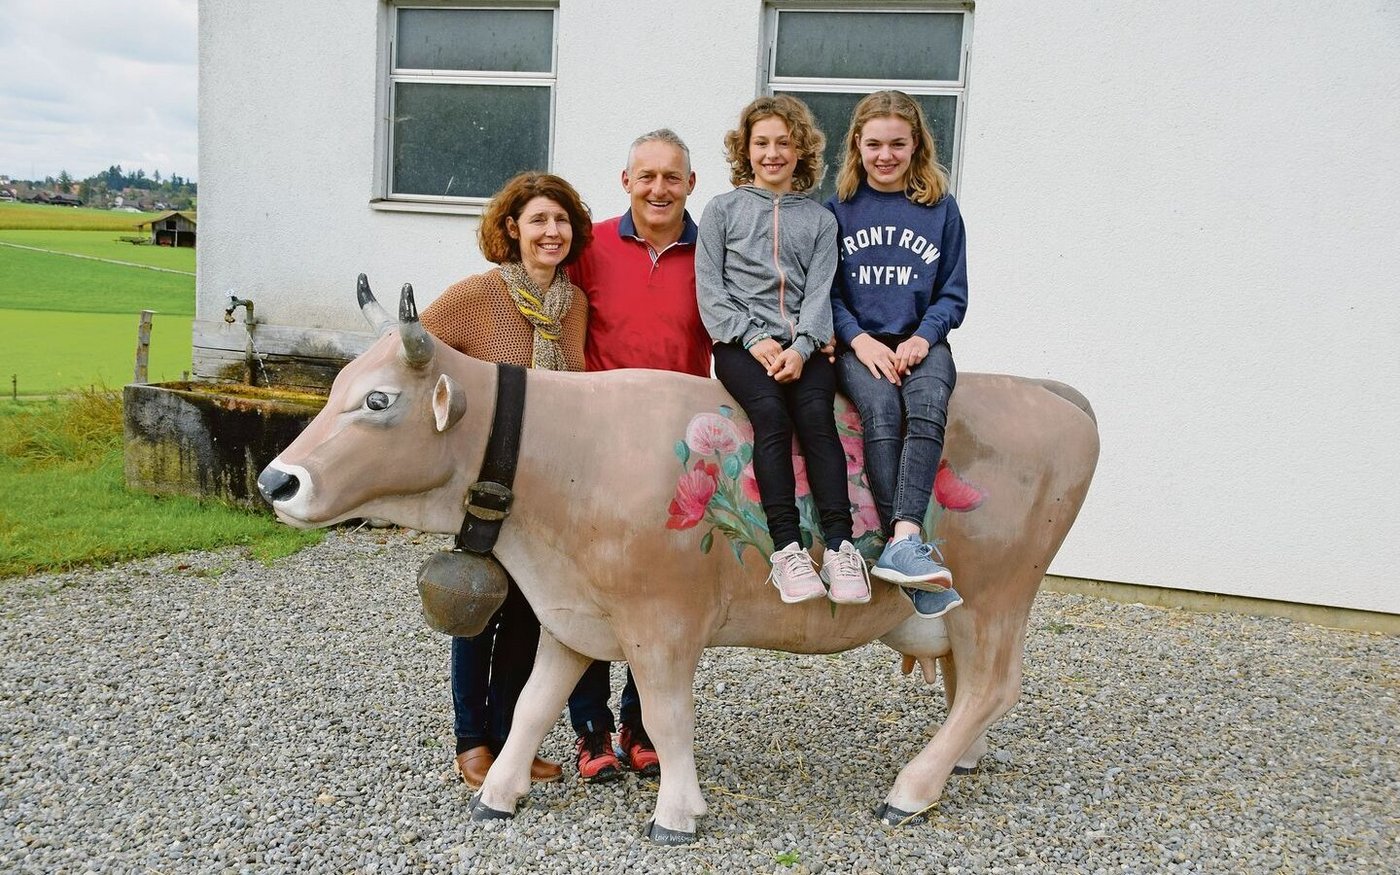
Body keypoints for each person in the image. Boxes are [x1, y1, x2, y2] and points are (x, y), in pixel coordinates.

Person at [419, 171, 594, 790]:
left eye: (561, 220)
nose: (552, 232)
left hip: (546, 486)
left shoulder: (573, 305)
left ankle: (507, 740)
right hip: (486, 487)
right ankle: (471, 743)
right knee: (479, 607)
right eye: (539, 220)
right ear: (512, 228)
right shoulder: (476, 296)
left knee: (527, 614)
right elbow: (412, 357)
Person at [563, 128, 711, 782]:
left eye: (671, 177)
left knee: (663, 590)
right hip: (596, 443)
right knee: (592, 583)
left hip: (677, 449)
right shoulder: (589, 246)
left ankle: (642, 723)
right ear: (625, 182)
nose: (658, 189)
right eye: (645, 176)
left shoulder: (714, 253)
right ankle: (591, 728)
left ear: (691, 184)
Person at [695, 95, 871, 605]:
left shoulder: (819, 220)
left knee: (817, 419)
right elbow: (710, 291)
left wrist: (802, 346)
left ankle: (840, 549)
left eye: (784, 143)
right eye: (762, 143)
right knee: (771, 417)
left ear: (800, 152)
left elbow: (820, 293)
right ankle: (787, 550)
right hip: (740, 345)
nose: (772, 153)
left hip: (806, 346)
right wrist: (754, 339)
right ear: (745, 150)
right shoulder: (722, 210)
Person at [826, 90, 969, 620]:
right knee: (882, 410)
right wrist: (857, 339)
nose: (885, 155)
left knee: (927, 406)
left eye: (897, 144)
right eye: (874, 144)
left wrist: (923, 337)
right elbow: (826, 293)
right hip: (859, 345)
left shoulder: (941, 209)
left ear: (917, 146)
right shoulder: (837, 210)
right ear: (856, 145)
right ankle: (906, 551)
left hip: (921, 341)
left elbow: (953, 293)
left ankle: (902, 538)